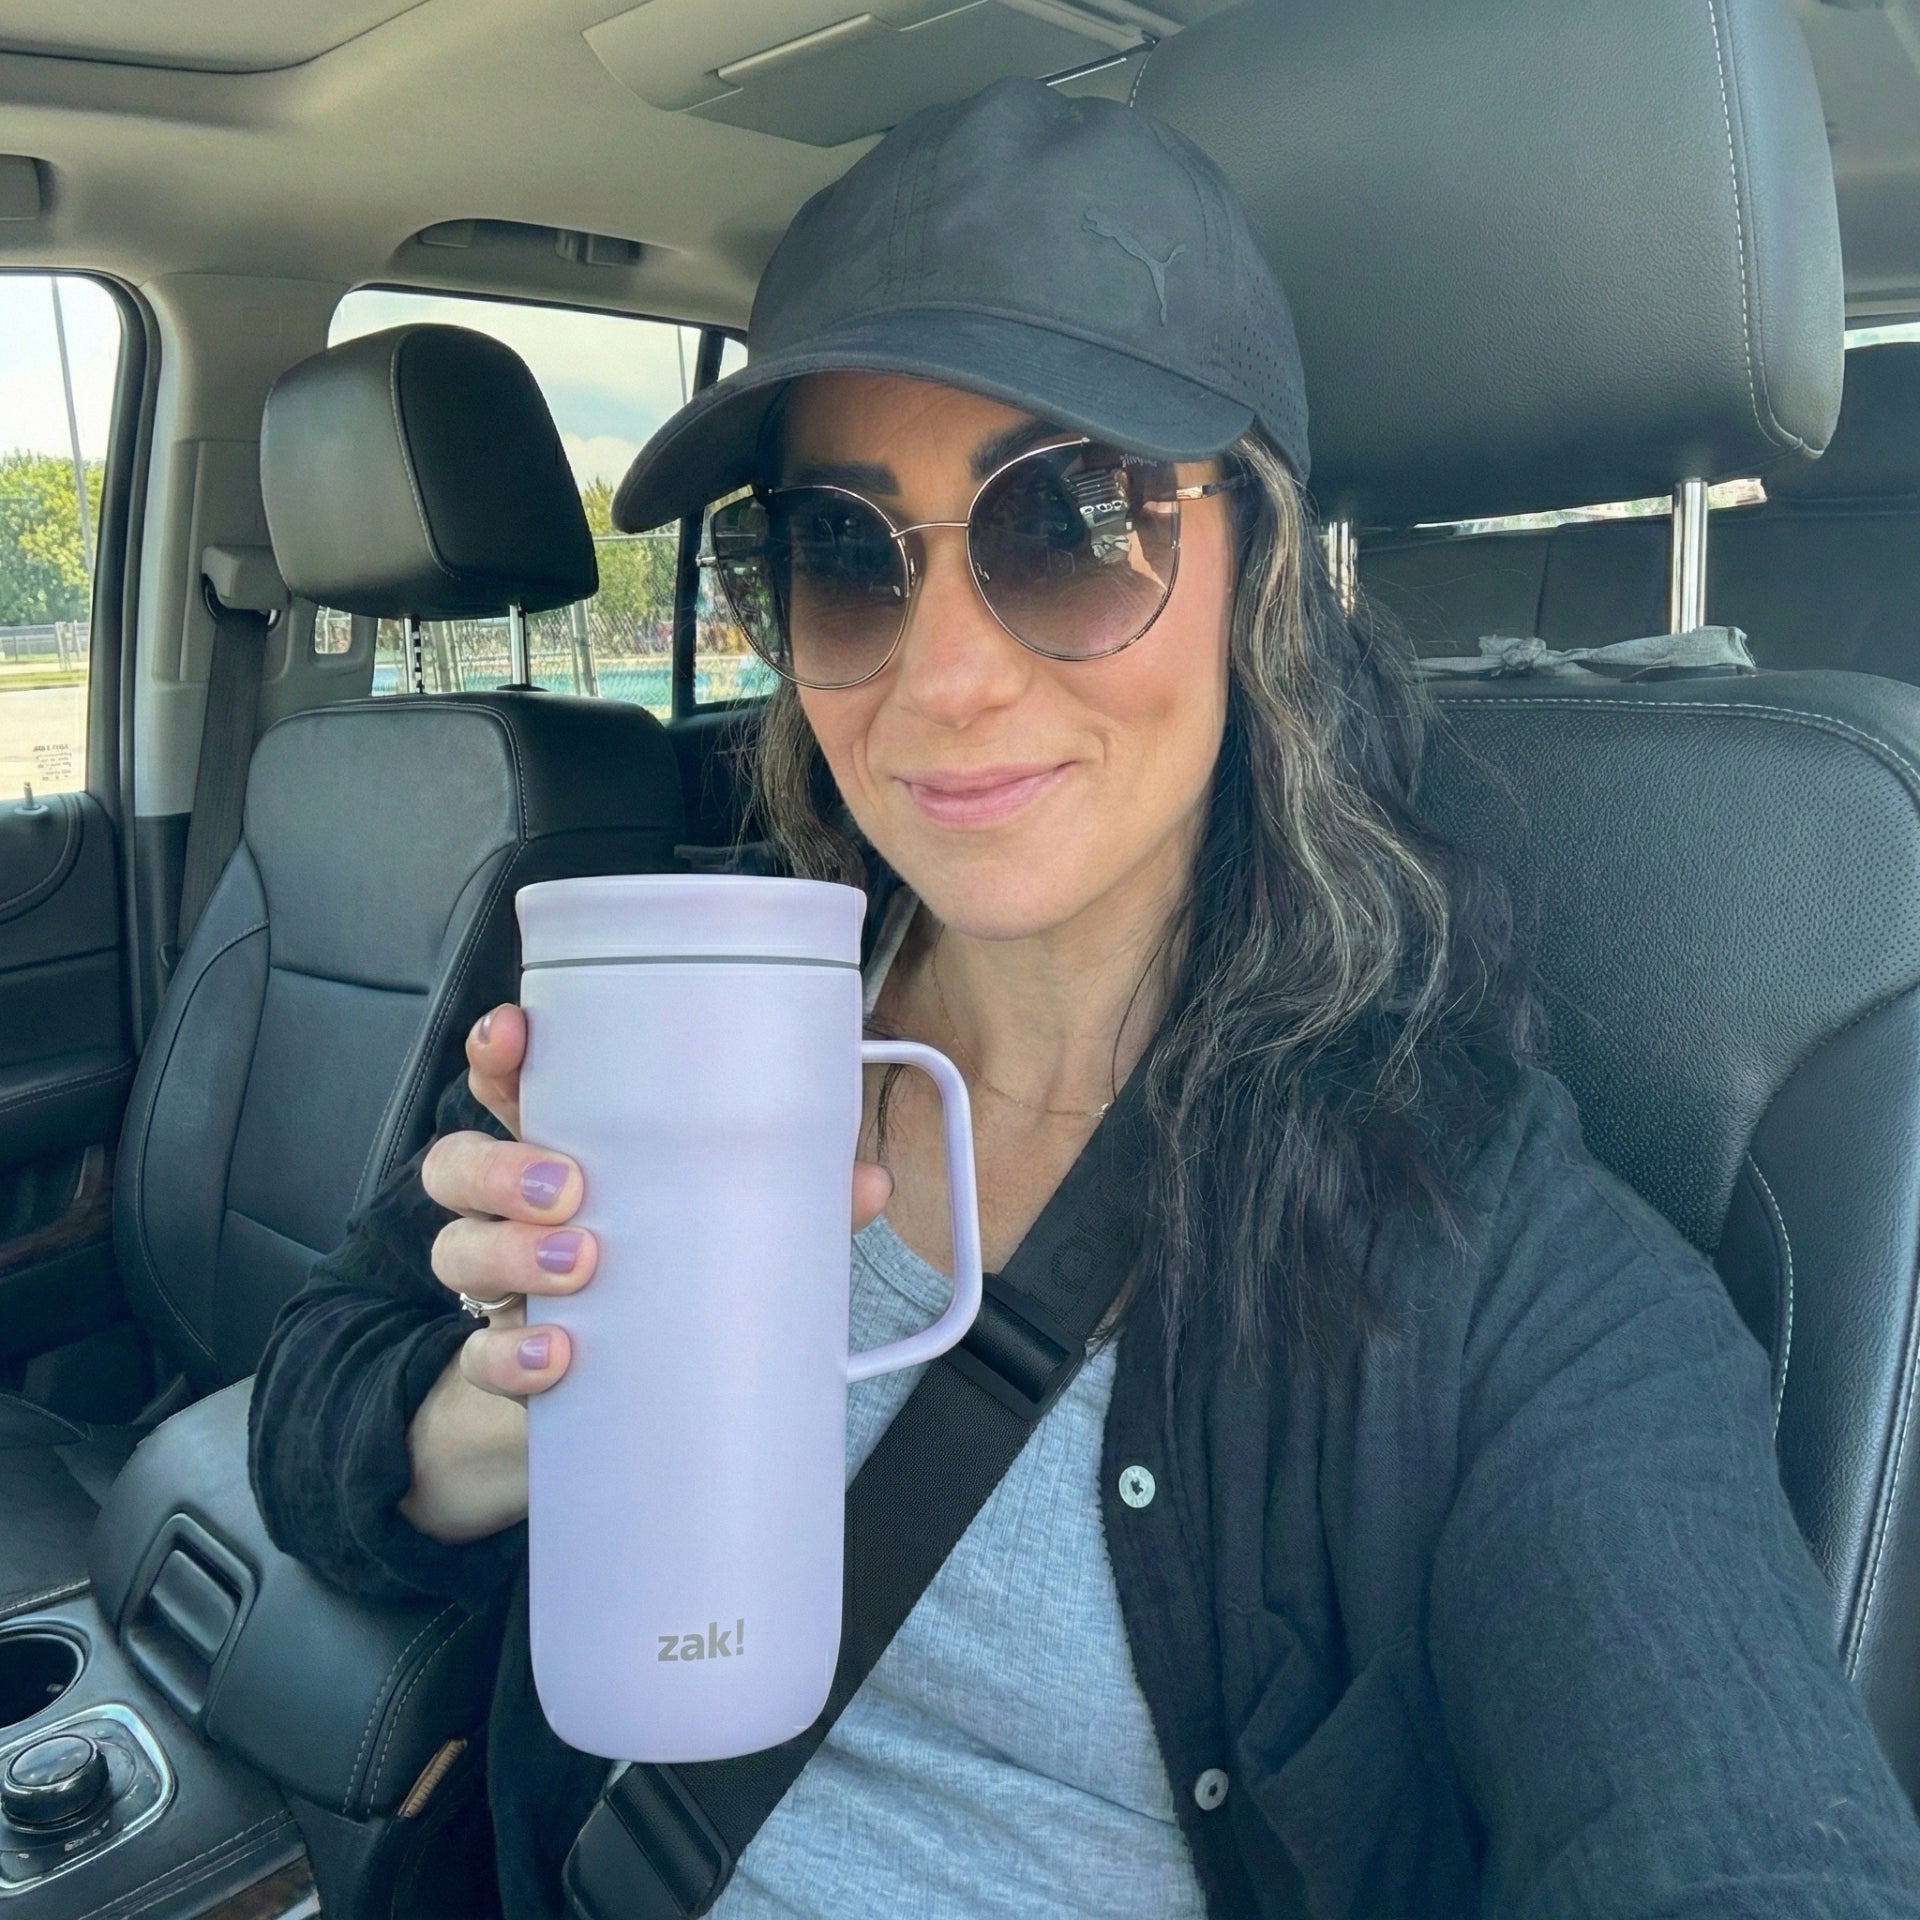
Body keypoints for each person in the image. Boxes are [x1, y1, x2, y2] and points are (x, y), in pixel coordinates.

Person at [249, 78, 1920, 1919]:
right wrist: (510, 1408)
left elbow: (1744, 1844)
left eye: (1074, 521)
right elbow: (318, 1409)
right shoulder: (659, 1005)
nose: (944, 677)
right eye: (841, 551)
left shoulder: (1485, 1255)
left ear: (1256, 577)